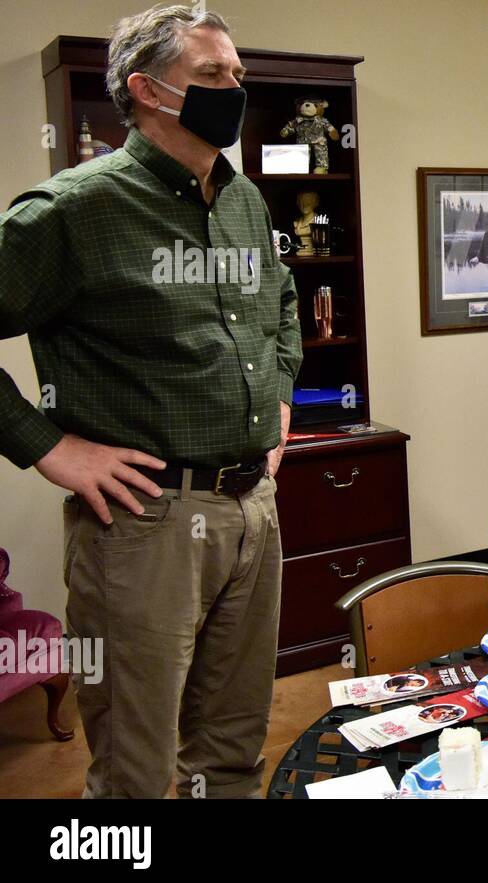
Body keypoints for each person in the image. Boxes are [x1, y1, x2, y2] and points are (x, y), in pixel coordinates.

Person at [0, 5, 302, 797]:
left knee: (233, 750)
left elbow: (282, 304)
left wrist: (277, 399)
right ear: (146, 89)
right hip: (144, 526)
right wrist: (51, 448)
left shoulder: (244, 201)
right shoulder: (72, 211)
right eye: (212, 75)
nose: (233, 88)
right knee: (136, 772)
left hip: (251, 511)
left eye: (236, 74)